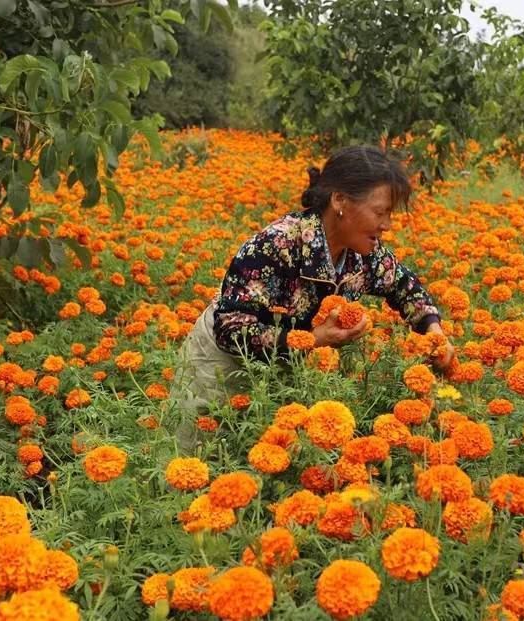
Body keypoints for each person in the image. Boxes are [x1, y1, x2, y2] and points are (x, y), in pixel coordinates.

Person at [170, 145, 454, 446]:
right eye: (380, 212)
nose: (387, 225)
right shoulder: (278, 244)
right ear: (340, 200)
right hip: (223, 366)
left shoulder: (363, 255)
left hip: (286, 372)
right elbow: (231, 328)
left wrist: (434, 331)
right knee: (200, 454)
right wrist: (315, 339)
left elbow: (404, 286)